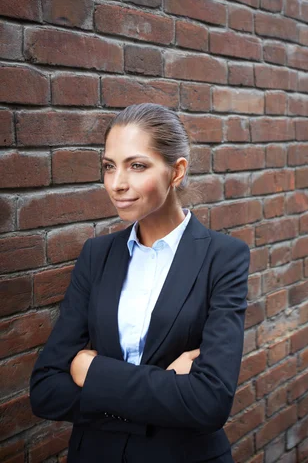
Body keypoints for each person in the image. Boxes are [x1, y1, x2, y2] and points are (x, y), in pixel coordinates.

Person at [30, 103, 250, 463]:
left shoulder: (223, 258)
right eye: (108, 166)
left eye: (137, 165)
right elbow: (46, 390)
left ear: (176, 171)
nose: (117, 184)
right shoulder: (96, 255)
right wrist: (168, 389)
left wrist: (93, 372)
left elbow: (210, 402)